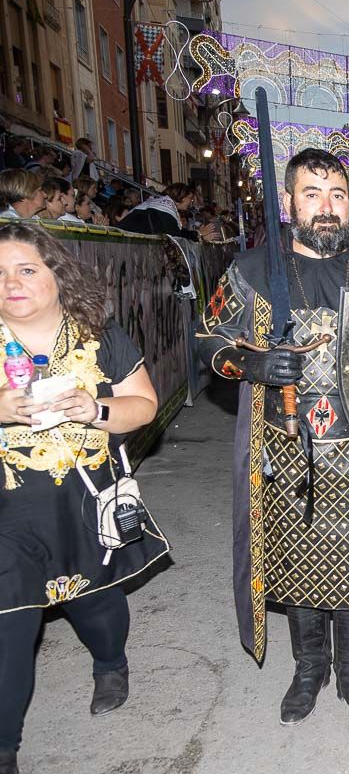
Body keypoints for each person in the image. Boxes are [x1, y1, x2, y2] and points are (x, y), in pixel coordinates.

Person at [194, 149, 349, 731]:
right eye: (312, 194)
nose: (327, 208)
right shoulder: (251, 271)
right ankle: (309, 668)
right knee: (297, 564)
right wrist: (248, 365)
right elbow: (207, 339)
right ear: (287, 202)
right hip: (285, 447)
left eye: (337, 195)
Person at [0, 225, 168, 774]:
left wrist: (94, 409)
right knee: (9, 625)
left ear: (56, 274)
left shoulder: (98, 333)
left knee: (94, 604)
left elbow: (143, 405)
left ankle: (110, 662)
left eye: (26, 269)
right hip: (8, 514)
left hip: (84, 503)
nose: (11, 283)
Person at [117, 183, 220, 243]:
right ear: (182, 197)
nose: (191, 203)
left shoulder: (162, 205)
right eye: (190, 199)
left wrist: (198, 235)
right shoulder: (164, 207)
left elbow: (175, 231)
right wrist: (199, 234)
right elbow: (175, 236)